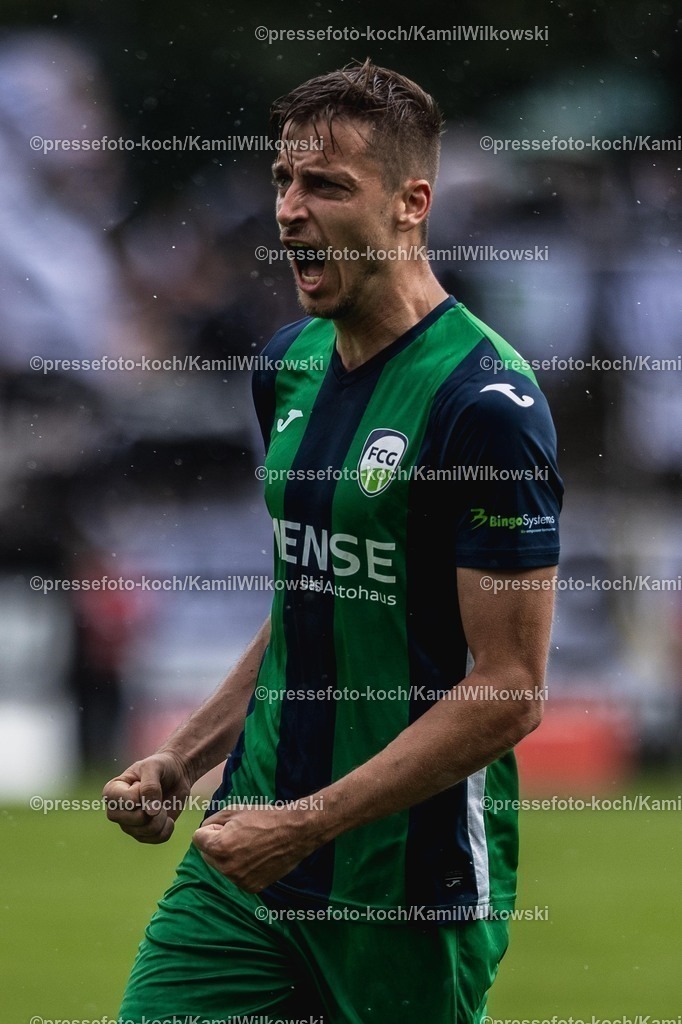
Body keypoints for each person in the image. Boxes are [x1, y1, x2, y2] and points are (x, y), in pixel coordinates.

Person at [104, 59, 563, 1024]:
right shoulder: (287, 367)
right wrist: (186, 760)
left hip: (404, 883)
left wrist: (307, 825)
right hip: (244, 853)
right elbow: (309, 600)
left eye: (325, 186)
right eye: (282, 181)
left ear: (411, 203)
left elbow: (509, 689)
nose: (288, 211)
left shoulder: (485, 407)